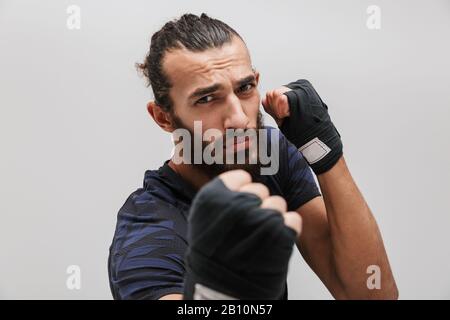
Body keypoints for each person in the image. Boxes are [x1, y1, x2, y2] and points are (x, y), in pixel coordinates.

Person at [108, 13, 398, 300]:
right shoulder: (146, 235)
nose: (238, 118)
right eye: (207, 99)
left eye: (245, 88)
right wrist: (215, 295)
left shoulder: (271, 155)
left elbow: (373, 296)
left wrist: (325, 152)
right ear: (163, 117)